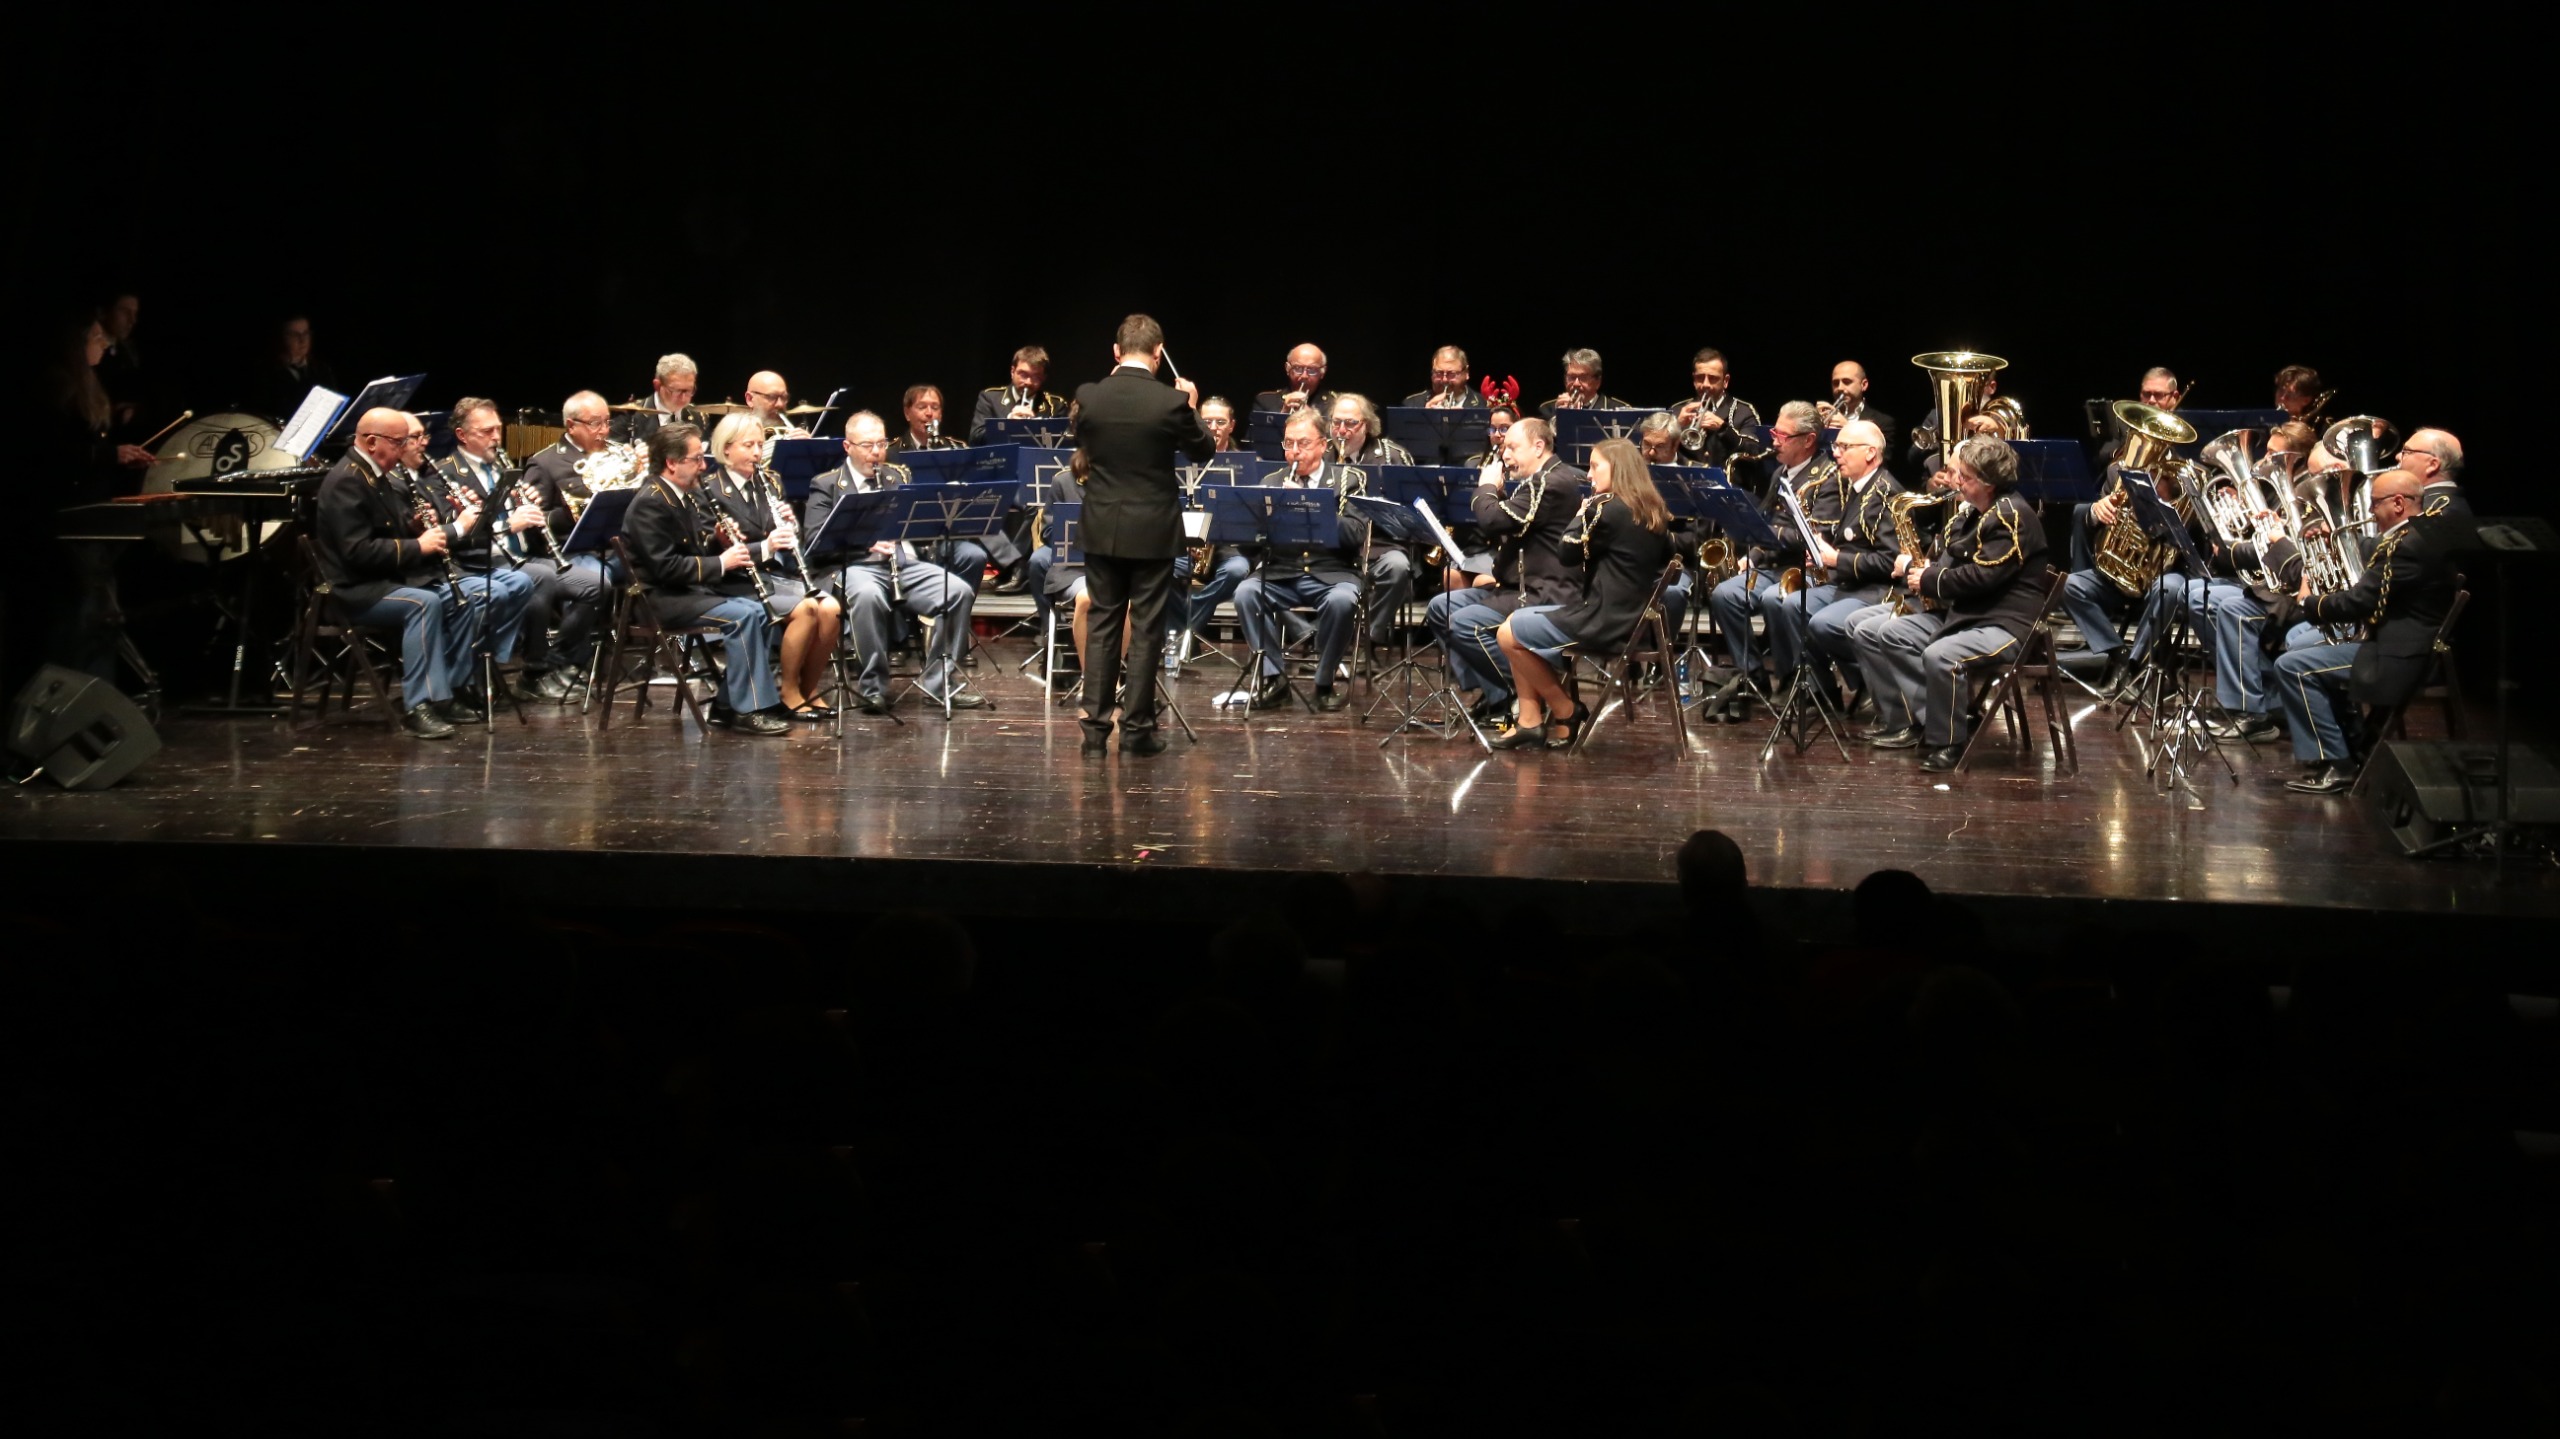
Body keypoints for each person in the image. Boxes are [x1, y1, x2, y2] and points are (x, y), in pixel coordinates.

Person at [1854, 435, 2052, 772]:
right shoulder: (1981, 512)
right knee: (1892, 634)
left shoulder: (2009, 516)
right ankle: (1926, 720)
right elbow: (1961, 560)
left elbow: (1982, 577)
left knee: (1941, 655)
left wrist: (1929, 579)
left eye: (1965, 477)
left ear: (1988, 483)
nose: (1956, 481)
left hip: (2006, 624)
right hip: (1971, 615)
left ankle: (1949, 742)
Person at [1069, 314, 1211, 754]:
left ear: (1116, 352)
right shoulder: (1170, 402)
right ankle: (1137, 731)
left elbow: (1082, 433)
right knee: (1147, 628)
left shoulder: (1089, 396)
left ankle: (1094, 731)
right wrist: (1188, 404)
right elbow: (1203, 449)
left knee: (1104, 624)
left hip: (1103, 524)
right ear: (1157, 353)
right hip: (1153, 528)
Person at [2272, 468, 2457, 795]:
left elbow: (2361, 600)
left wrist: (2310, 603)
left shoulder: (2408, 545)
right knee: (2300, 652)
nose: (2370, 512)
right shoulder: (2419, 535)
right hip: (2392, 641)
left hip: (2400, 656)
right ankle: (2349, 740)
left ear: (2398, 503)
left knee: (2293, 667)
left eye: (2374, 504)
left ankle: (2337, 764)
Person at [309, 408, 492, 738]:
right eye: (397, 443)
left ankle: (448, 691)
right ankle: (419, 705)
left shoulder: (374, 473)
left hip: (383, 580)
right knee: (423, 604)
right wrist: (418, 546)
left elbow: (391, 528)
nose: (401, 450)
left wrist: (416, 527)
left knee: (463, 599)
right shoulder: (347, 481)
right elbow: (358, 552)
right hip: (354, 589)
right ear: (371, 441)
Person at [1490, 437, 1673, 751]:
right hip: (1633, 622)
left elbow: (1567, 552)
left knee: (1507, 634)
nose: (1589, 476)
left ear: (1616, 469)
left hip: (1603, 621)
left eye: (1594, 467)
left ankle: (1565, 710)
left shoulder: (1607, 508)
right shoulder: (1653, 511)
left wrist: (1580, 513)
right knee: (1515, 621)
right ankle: (1530, 721)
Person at [803, 413, 985, 715]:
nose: (876, 452)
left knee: (957, 591)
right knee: (867, 596)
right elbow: (814, 541)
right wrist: (864, 540)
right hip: (853, 566)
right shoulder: (826, 484)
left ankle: (938, 684)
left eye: (881, 443)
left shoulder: (897, 476)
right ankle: (873, 688)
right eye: (867, 445)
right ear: (847, 446)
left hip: (902, 563)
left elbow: (918, 524)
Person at [618, 422, 791, 735]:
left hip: (685, 592)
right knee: (742, 616)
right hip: (659, 600)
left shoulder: (682, 495)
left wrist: (717, 541)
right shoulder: (651, 502)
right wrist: (722, 563)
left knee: (758, 611)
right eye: (696, 459)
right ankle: (746, 709)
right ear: (672, 463)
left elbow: (693, 548)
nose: (703, 465)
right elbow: (665, 568)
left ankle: (726, 706)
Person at [1426, 417, 1584, 725]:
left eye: (1511, 447)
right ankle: (1501, 697)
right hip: (1516, 586)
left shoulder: (1549, 482)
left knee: (1463, 623)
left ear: (1539, 447)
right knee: (1440, 607)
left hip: (1545, 590)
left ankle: (1540, 693)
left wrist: (1486, 487)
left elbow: (1493, 521)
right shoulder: (1536, 481)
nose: (1504, 455)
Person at [30, 308, 157, 688]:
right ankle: (72, 696)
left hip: (94, 513)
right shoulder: (57, 386)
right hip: (70, 517)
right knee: (83, 615)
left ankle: (96, 695)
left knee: (101, 612)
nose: (104, 345)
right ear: (78, 344)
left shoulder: (88, 384)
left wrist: (120, 458)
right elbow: (52, 455)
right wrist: (110, 455)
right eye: (97, 338)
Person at [1701, 401, 1843, 721]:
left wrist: (1770, 535)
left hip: (1807, 570)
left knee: (1774, 598)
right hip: (1773, 565)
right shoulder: (1780, 471)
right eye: (1774, 432)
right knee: (1726, 594)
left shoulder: (1828, 476)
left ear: (1808, 440)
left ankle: (1793, 679)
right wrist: (1749, 557)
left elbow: (1816, 537)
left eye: (1781, 434)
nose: (1773, 440)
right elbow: (1764, 522)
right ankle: (1752, 677)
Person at [432, 397, 582, 701]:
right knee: (540, 577)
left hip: (522, 556)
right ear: (462, 435)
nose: (496, 438)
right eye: (486, 432)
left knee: (596, 584)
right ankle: (533, 669)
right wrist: (508, 525)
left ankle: (567, 663)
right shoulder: (445, 474)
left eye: (498, 430)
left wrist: (528, 503)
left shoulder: (504, 465)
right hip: (481, 561)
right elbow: (458, 535)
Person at [702, 413, 841, 718]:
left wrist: (792, 525)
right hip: (734, 581)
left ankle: (809, 687)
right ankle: (788, 690)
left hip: (772, 576)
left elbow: (789, 539)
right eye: (748, 445)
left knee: (830, 609)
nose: (756, 452)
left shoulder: (771, 480)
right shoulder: (710, 488)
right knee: (806, 610)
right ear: (726, 449)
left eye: (760, 444)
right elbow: (713, 549)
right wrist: (766, 545)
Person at [394, 409, 534, 707]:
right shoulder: (417, 478)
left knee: (521, 581)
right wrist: (455, 523)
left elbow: (438, 522)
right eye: (416, 437)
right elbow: (424, 535)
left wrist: (450, 516)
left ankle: (480, 662)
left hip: (448, 563)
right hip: (428, 571)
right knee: (492, 592)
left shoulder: (418, 477)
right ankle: (462, 679)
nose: (423, 444)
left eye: (424, 436)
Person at [1237, 408, 1367, 715]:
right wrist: (1255, 522)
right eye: (1288, 444)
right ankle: (1274, 679)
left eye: (1303, 444)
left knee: (1342, 601)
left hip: (1333, 572)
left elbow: (1355, 534)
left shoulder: (1350, 478)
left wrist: (1310, 507)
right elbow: (1249, 546)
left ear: (1323, 445)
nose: (1294, 452)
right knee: (1245, 593)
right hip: (1282, 571)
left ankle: (1324, 682)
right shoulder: (1272, 481)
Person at [1669, 347, 1762, 468]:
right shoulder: (1677, 410)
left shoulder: (1744, 411)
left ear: (1725, 381)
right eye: (1700, 378)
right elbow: (1656, 449)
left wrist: (1723, 428)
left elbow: (1755, 453)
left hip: (1728, 484)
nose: (1705, 384)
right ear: (1693, 379)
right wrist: (1676, 426)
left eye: (1713, 378)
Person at [968, 345, 1069, 440]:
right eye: (1023, 375)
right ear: (1012, 372)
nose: (1028, 382)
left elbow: (1063, 443)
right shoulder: (990, 398)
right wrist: (1007, 424)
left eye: (1036, 377)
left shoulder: (1056, 406)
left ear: (1044, 378)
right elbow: (975, 438)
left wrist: (1035, 427)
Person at [260, 314, 341, 420]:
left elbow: (334, 405)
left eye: (305, 333)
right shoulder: (265, 373)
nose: (302, 340)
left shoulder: (321, 369)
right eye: (294, 335)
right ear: (281, 337)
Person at [609, 353, 703, 444]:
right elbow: (608, 454)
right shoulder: (630, 416)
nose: (683, 398)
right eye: (676, 391)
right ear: (657, 385)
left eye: (689, 390)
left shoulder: (698, 417)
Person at [1813, 360, 1898, 459]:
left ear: (1864, 385)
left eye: (1847, 382)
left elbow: (1882, 459)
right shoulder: (1825, 415)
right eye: (1835, 383)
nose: (1840, 387)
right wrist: (1812, 423)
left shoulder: (1884, 422)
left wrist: (1848, 427)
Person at [2398, 427, 2470, 517]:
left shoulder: (2439, 511)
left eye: (2407, 451)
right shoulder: (2448, 504)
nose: (2397, 456)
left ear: (2432, 465)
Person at [1537, 347, 1628, 416]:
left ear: (1598, 382)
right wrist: (1559, 416)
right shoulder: (1548, 409)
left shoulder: (1619, 410)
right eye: (1571, 377)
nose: (1576, 383)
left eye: (1583, 378)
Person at [1250, 343, 1334, 415]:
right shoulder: (1265, 401)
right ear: (1287, 368)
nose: (1304, 376)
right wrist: (1283, 415)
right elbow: (1256, 434)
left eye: (1312, 370)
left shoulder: (1334, 404)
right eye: (1297, 368)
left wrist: (1310, 416)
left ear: (1322, 372)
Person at [1403, 346, 1485, 408]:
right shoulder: (1412, 404)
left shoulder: (1484, 405)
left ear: (1466, 373)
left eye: (1451, 374)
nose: (1444, 380)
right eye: (1438, 373)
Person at [744, 371, 806, 438]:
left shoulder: (788, 434)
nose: (780, 404)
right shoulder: (736, 437)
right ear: (750, 399)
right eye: (772, 397)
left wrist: (806, 446)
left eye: (784, 397)